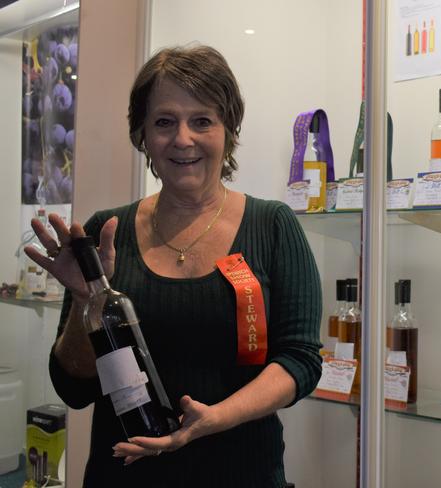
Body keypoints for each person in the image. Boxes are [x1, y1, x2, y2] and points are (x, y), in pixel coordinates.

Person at [26, 45, 323, 487]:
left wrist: (212, 419)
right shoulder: (106, 232)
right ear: (143, 134)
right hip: (124, 476)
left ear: (228, 130)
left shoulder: (273, 226)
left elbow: (300, 360)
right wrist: (87, 301)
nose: (183, 138)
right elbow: (74, 388)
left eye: (202, 120)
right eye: (164, 122)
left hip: (242, 472)